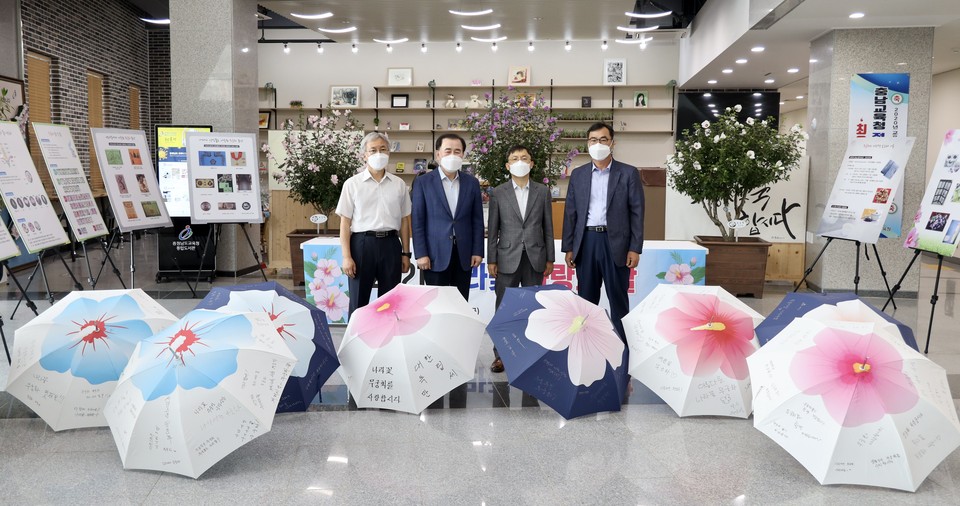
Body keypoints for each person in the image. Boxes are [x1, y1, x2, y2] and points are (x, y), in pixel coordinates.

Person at [561, 122, 644, 341]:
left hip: (616, 244)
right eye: (593, 140)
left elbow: (637, 212)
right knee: (586, 301)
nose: (598, 144)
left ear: (612, 143)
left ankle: (623, 351)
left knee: (618, 300)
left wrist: (635, 248)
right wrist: (568, 247)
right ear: (587, 144)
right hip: (587, 242)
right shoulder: (578, 175)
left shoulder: (628, 173)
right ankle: (587, 348)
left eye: (603, 140)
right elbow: (571, 212)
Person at [486, 145, 555, 373]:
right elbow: (493, 228)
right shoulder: (498, 192)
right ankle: (501, 356)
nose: (519, 161)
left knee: (533, 308)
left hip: (536, 257)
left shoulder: (542, 191)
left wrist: (550, 258)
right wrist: (491, 259)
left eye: (524, 157)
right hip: (506, 256)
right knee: (503, 308)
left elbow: (548, 227)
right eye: (514, 158)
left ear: (532, 163)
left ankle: (531, 354)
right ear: (507, 165)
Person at [336, 132, 412, 315]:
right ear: (365, 155)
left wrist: (406, 253)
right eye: (373, 150)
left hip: (391, 244)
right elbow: (345, 223)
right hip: (362, 245)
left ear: (389, 152)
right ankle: (356, 341)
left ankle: (388, 340)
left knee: (390, 301)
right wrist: (347, 257)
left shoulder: (399, 184)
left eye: (383, 149)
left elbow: (405, 220)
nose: (379, 154)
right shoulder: (352, 184)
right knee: (358, 300)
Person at [411, 133, 483, 301]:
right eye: (448, 150)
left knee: (461, 302)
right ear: (438, 154)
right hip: (434, 255)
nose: (453, 155)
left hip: (464, 254)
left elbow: (477, 220)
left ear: (463, 155)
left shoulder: (471, 183)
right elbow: (418, 220)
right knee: (437, 304)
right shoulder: (423, 182)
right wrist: (421, 253)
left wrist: (477, 251)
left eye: (457, 151)